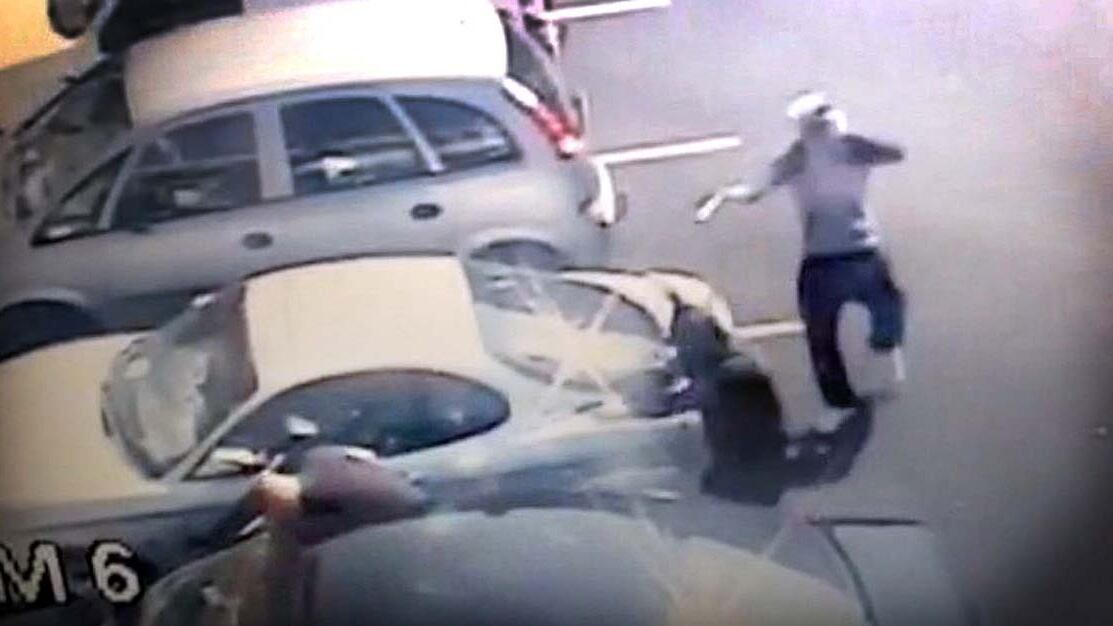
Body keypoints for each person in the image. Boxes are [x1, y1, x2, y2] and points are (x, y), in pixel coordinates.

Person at [695, 90, 907, 433]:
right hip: (861, 252)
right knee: (888, 305)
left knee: (823, 338)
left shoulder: (799, 158)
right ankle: (882, 354)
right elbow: (895, 153)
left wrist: (723, 195)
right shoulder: (850, 149)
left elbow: (753, 190)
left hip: (823, 262)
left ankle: (840, 401)